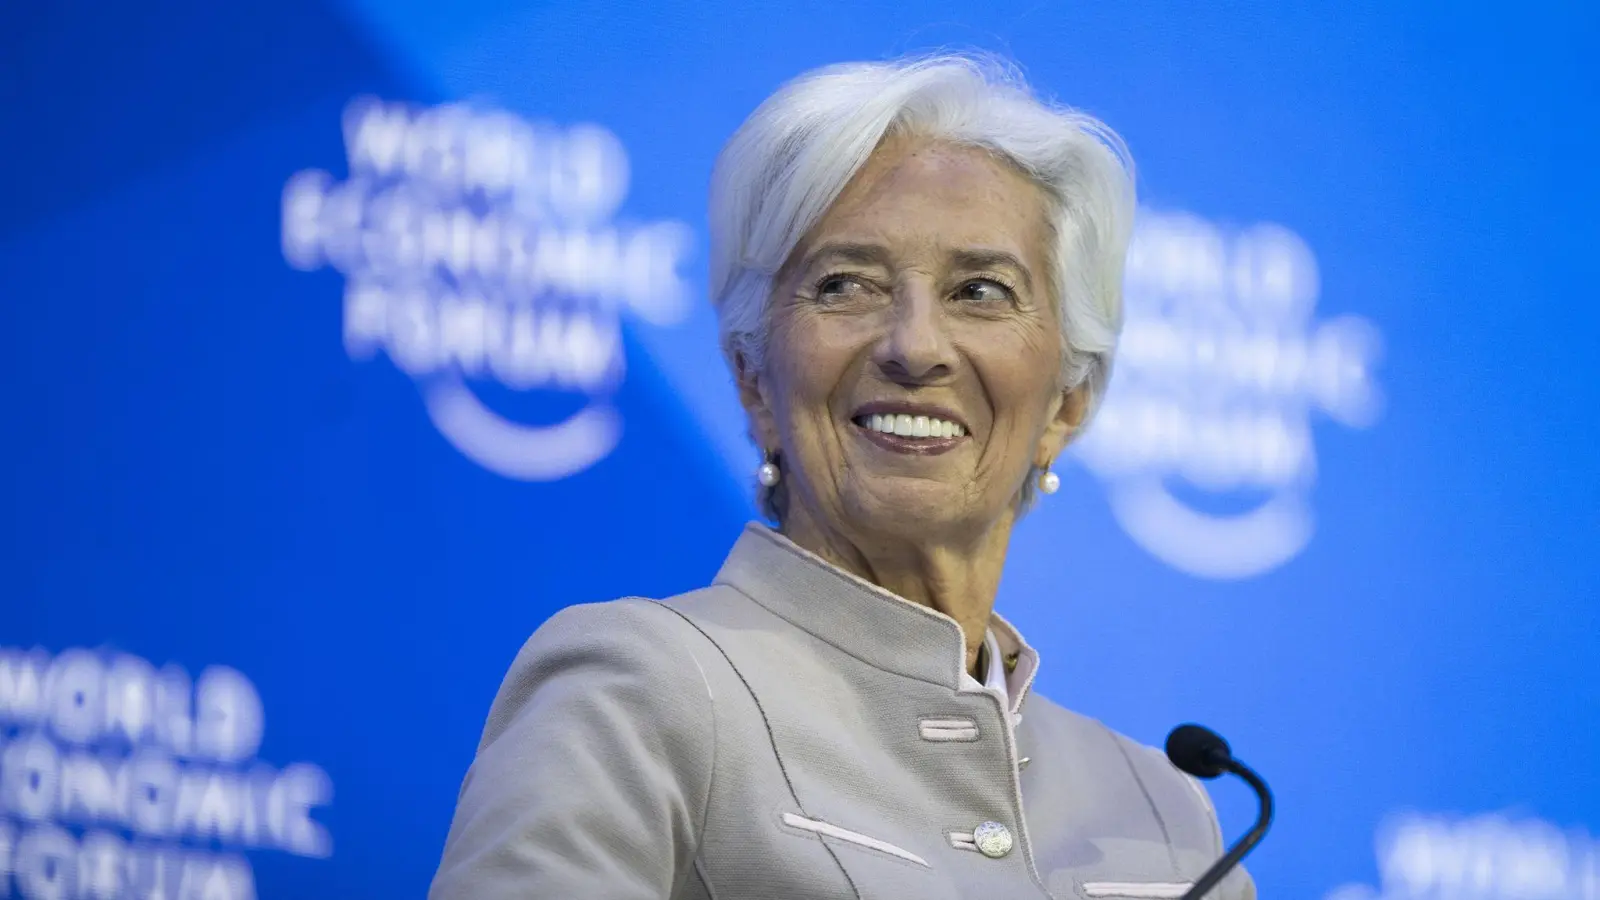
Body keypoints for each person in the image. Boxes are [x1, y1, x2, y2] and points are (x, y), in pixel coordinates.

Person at [430, 53, 1255, 900]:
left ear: (1066, 406)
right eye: (846, 285)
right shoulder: (641, 690)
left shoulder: (1167, 811)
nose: (914, 346)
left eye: (980, 290)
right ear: (755, 380)